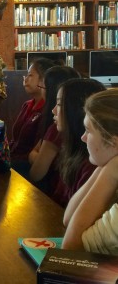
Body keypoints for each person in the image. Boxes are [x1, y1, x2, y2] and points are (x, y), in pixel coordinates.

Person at [62, 88, 118, 253]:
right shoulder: (109, 166)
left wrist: (111, 172)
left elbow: (71, 248)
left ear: (114, 142)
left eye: (88, 130)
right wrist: (106, 167)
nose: (83, 137)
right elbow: (68, 219)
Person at [49, 78, 105, 207]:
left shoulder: (91, 163)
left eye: (59, 105)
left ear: (76, 110)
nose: (53, 110)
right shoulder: (71, 149)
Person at [28, 66, 80, 189]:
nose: (54, 109)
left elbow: (35, 173)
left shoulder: (58, 128)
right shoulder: (60, 123)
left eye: (43, 87)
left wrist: (35, 156)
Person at [10, 58, 56, 178]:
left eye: (30, 75)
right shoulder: (27, 105)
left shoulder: (50, 110)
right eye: (26, 75)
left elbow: (35, 153)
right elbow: (16, 141)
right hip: (12, 160)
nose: (25, 79)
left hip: (26, 167)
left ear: (43, 80)